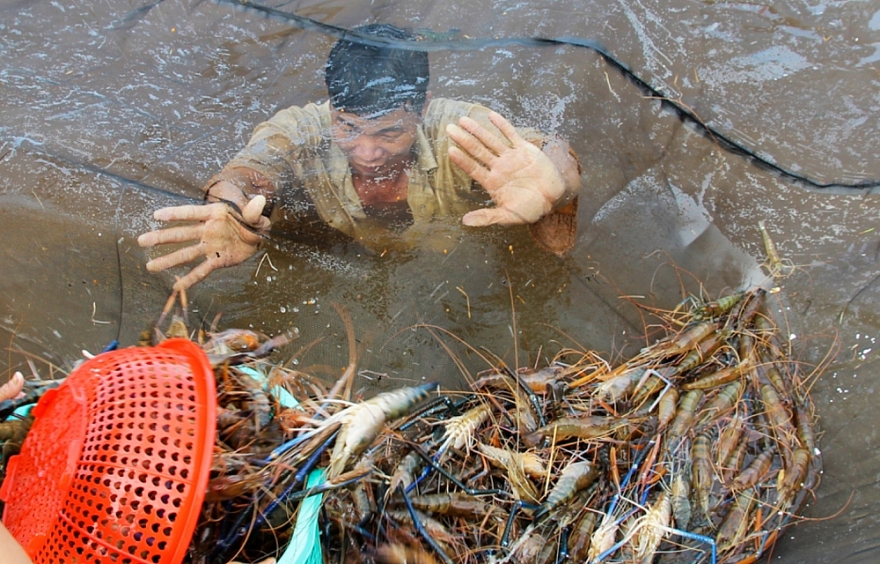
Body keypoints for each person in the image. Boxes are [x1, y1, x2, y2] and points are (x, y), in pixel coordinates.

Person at [138, 24, 582, 291]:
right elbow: (248, 172)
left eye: (390, 132)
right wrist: (227, 206)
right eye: (348, 128)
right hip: (341, 240)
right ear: (331, 109)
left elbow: (552, 153)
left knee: (554, 237)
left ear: (422, 107)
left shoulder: (459, 128)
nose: (368, 152)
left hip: (442, 249)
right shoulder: (301, 128)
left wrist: (558, 183)